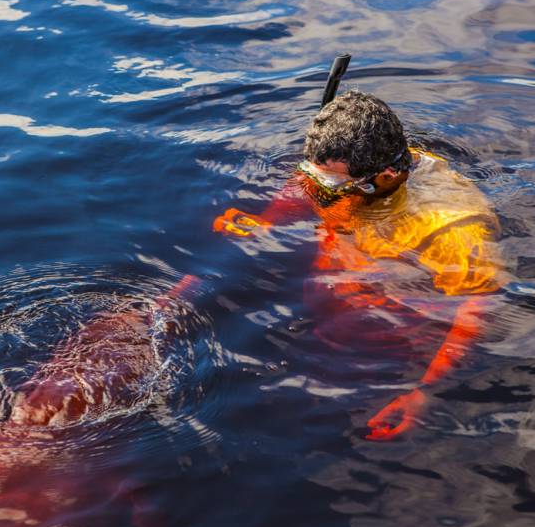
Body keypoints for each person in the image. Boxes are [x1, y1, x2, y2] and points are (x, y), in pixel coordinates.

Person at [213, 90, 503, 440]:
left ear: (387, 175)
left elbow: (479, 306)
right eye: (312, 173)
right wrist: (266, 221)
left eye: (331, 184)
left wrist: (424, 390)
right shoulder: (335, 178)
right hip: (324, 308)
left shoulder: (452, 228)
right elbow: (308, 184)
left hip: (389, 345)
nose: (317, 191)